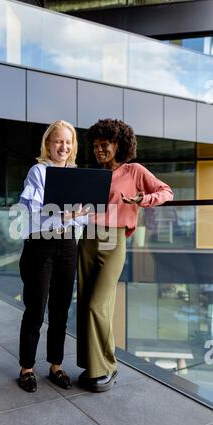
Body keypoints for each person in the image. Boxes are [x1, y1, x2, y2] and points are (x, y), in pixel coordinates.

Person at [77, 118, 174, 392]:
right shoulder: (93, 174)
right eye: (95, 145)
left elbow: (166, 191)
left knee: (98, 304)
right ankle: (91, 365)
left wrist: (143, 200)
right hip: (88, 238)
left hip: (114, 239)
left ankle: (108, 366)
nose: (98, 150)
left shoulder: (134, 171)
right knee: (85, 302)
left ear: (118, 144)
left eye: (104, 144)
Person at [18, 120, 89, 393]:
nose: (64, 146)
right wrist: (67, 215)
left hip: (68, 246)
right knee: (36, 308)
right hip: (40, 246)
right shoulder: (38, 171)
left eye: (68, 142)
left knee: (60, 309)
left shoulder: (76, 173)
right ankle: (26, 368)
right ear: (48, 143)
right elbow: (34, 215)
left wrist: (78, 216)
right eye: (58, 141)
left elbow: (81, 220)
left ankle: (55, 365)